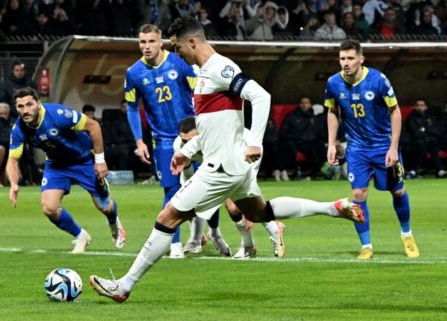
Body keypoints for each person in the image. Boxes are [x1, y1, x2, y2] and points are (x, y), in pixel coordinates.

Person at [89, 17, 364, 302]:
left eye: (177, 46)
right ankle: (331, 208)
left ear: (192, 42)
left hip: (221, 167)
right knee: (260, 213)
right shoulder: (204, 71)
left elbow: (260, 96)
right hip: (232, 165)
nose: (176, 52)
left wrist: (255, 140)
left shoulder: (220, 67)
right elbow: (212, 125)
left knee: (167, 217)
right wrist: (188, 150)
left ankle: (124, 286)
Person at [325, 39, 420, 260]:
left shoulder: (378, 80)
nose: (345, 63)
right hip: (356, 149)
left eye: (350, 58)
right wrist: (331, 143)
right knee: (358, 194)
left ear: (361, 58)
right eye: (342, 58)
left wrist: (393, 148)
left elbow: (395, 112)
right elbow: (332, 112)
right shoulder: (333, 83)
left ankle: (407, 234)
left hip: (383, 146)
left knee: (397, 191)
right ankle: (366, 245)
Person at [6, 87, 125, 253]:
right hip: (57, 164)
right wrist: (13, 184)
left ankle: (114, 223)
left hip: (83, 160)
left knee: (105, 206)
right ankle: (81, 236)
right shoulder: (19, 129)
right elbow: (12, 160)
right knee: (49, 208)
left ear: (38, 104)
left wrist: (100, 161)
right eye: (20, 107)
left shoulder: (59, 114)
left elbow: (94, 126)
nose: (25, 110)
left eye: (29, 104)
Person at [124, 24, 197, 258]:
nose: (146, 46)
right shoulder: (134, 73)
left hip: (192, 136)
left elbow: (199, 93)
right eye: (142, 42)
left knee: (207, 186)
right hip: (163, 139)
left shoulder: (180, 62)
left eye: (151, 41)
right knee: (171, 189)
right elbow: (133, 109)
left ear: (161, 42)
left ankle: (209, 234)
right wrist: (139, 140)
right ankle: (174, 245)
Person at [175, 117, 285, 259]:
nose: (188, 145)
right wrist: (189, 203)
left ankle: (255, 241)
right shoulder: (180, 147)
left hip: (246, 151)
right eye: (184, 141)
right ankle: (264, 235)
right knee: (235, 207)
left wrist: (247, 208)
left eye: (192, 140)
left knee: (239, 207)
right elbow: (188, 176)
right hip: (217, 162)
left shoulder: (222, 140)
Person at [405, 98, 446, 179]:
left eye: (422, 105)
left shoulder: (430, 117)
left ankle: (440, 170)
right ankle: (413, 171)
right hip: (416, 142)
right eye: (417, 105)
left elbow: (435, 130)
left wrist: (425, 131)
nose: (419, 107)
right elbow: (414, 133)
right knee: (421, 145)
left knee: (433, 143)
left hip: (430, 140)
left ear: (426, 107)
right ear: (415, 107)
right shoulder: (411, 118)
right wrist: (426, 132)